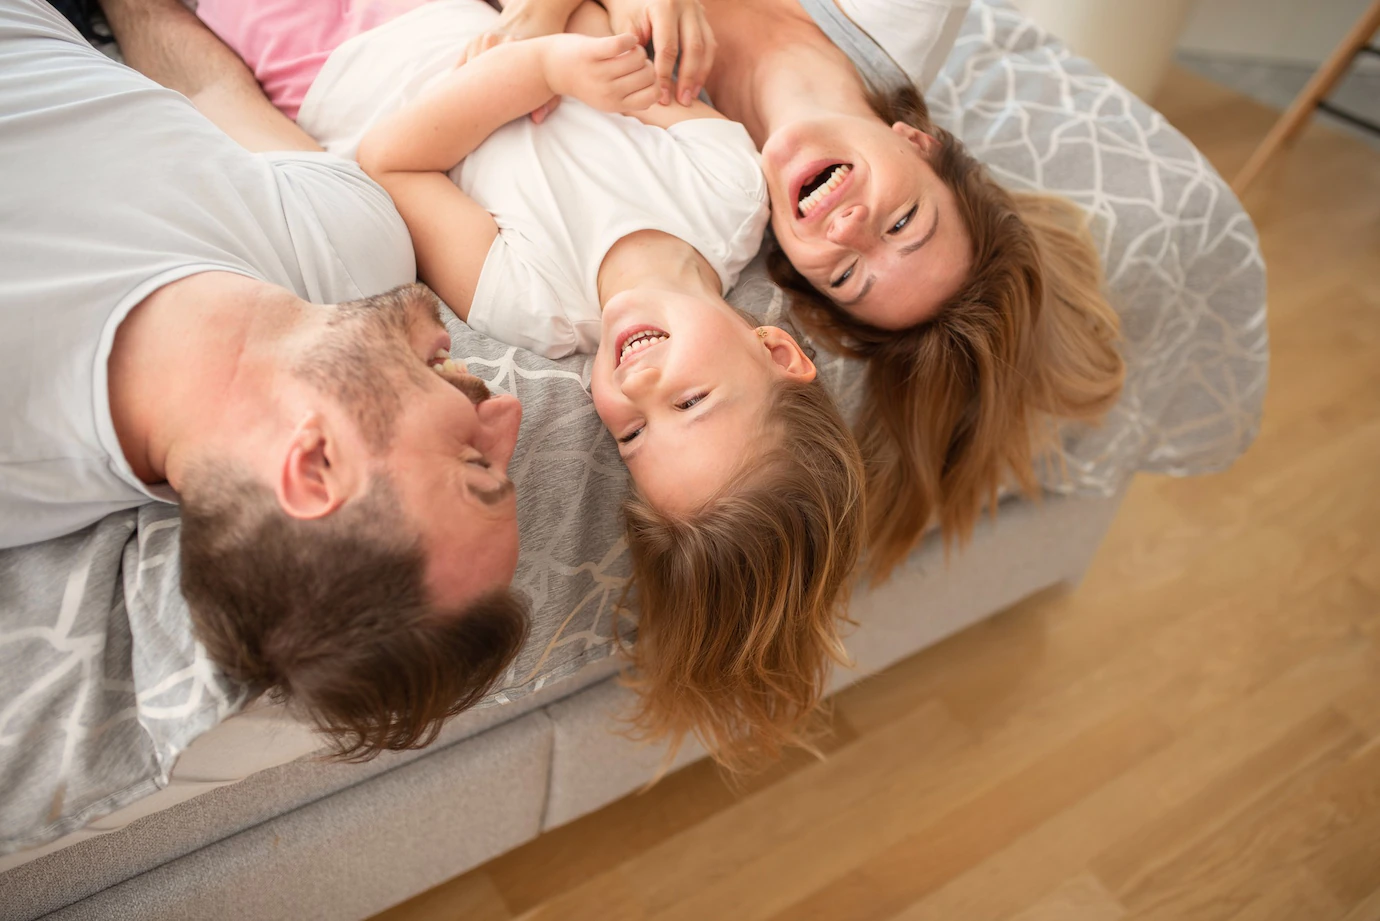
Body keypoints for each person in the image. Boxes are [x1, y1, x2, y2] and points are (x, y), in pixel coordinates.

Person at [186, 0, 867, 770]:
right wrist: (559, 38)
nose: (639, 387)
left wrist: (540, 70)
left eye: (633, 433)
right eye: (690, 400)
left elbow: (389, 165)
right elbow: (601, 28)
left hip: (336, 61)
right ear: (776, 350)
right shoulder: (730, 186)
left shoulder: (537, 304)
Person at [1, 0, 529, 759]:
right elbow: (212, 95)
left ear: (315, 465)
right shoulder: (354, 251)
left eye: (475, 462)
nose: (505, 411)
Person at [484, 0, 1127, 581]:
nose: (848, 228)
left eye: (846, 273)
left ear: (790, 262)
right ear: (922, 147)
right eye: (905, 222)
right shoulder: (903, 13)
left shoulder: (698, 162)